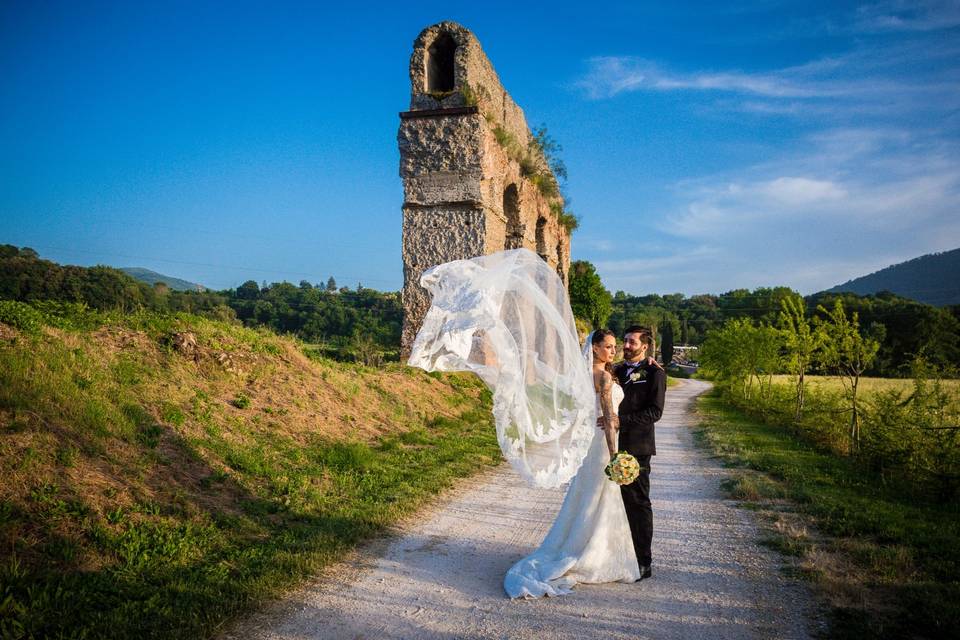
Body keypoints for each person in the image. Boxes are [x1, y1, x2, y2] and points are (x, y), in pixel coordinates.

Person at [502, 329, 641, 598]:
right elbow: (609, 419)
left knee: (586, 494)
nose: (614, 351)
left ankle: (579, 546)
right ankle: (595, 555)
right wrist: (615, 456)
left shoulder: (583, 376)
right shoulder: (603, 377)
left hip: (589, 441)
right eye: (609, 347)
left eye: (615, 347)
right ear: (596, 348)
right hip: (602, 442)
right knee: (599, 497)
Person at [613, 325, 666, 581]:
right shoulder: (617, 370)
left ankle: (644, 560)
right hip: (608, 445)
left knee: (638, 504)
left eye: (632, 342)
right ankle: (615, 554)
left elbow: (655, 412)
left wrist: (621, 421)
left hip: (637, 448)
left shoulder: (655, 373)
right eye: (625, 341)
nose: (626, 345)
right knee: (613, 503)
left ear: (644, 346)